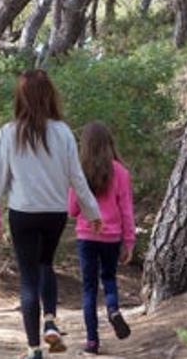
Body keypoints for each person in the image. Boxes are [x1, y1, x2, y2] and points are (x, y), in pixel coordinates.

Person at [0, 69, 102, 359]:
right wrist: (92, 212)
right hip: (54, 213)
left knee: (28, 278)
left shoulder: (9, 133)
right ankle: (50, 320)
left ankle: (34, 348)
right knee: (46, 264)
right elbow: (77, 178)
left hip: (23, 212)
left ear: (20, 97)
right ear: (50, 96)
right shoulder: (63, 132)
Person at [67, 122, 136, 355]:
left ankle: (92, 341)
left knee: (88, 288)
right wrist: (129, 242)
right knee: (109, 279)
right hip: (111, 236)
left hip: (87, 235)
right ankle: (114, 309)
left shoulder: (79, 171)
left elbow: (72, 210)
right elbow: (126, 210)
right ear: (109, 144)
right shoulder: (121, 173)